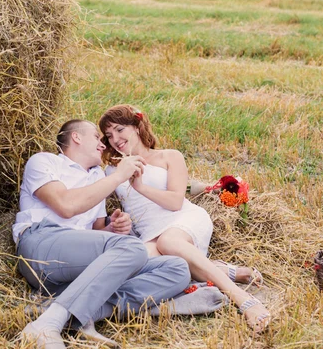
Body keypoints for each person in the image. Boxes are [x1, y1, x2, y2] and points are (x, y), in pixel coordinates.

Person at [13, 119, 191, 348]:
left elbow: (95, 230)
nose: (104, 145)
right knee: (132, 247)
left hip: (78, 264)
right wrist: (118, 176)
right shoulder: (44, 161)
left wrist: (113, 228)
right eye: (97, 137)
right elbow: (65, 206)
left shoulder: (97, 176)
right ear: (76, 137)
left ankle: (79, 311)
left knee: (176, 268)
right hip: (41, 246)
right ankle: (46, 325)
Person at [98, 105, 271, 333]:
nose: (115, 139)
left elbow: (175, 201)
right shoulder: (113, 170)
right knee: (136, 263)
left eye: (120, 130)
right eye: (109, 135)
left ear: (137, 126)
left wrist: (138, 186)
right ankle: (219, 269)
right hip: (149, 231)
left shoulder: (169, 156)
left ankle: (242, 297)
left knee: (168, 243)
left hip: (182, 220)